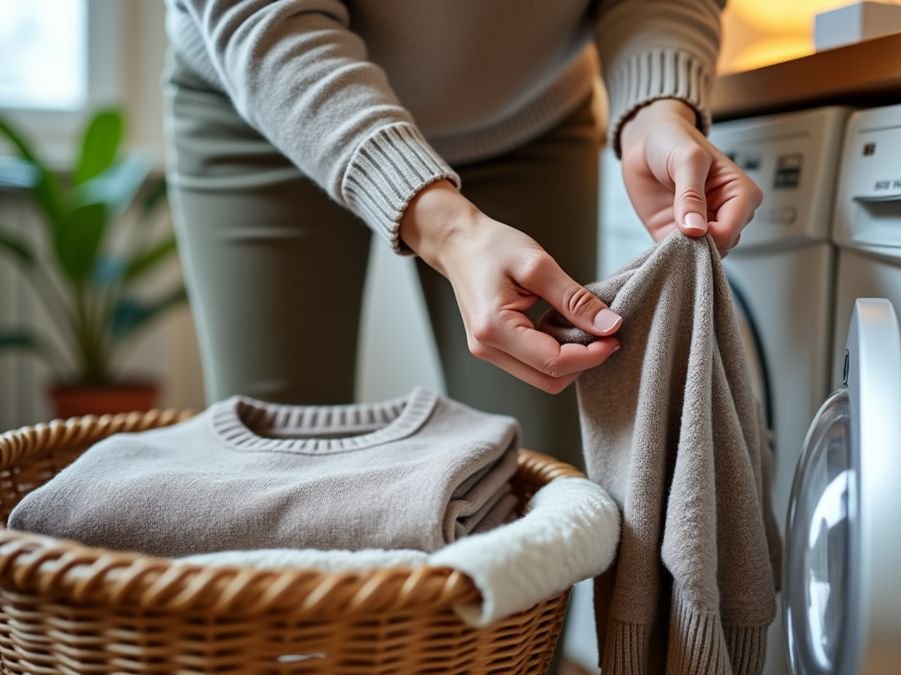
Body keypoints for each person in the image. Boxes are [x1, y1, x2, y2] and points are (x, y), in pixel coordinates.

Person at [163, 0, 762, 466]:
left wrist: (658, 108)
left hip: (527, 119)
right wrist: (449, 230)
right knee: (274, 456)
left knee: (538, 477)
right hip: (274, 100)